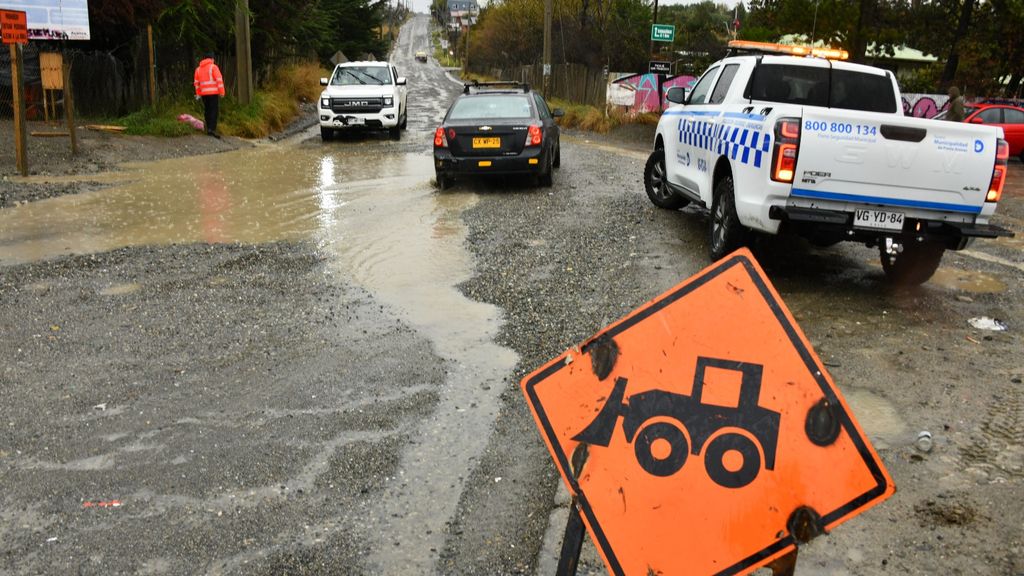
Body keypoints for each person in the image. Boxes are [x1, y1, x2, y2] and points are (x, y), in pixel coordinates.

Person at [194, 52, 225, 138]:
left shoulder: (198, 69)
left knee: (207, 110)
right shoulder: (213, 67)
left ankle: (208, 128)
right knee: (213, 111)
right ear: (212, 59)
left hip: (204, 94)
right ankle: (212, 129)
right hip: (213, 93)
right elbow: (219, 80)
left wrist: (198, 94)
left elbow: (196, 83)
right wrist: (222, 92)